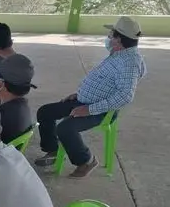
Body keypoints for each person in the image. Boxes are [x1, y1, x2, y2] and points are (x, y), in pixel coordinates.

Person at [34, 16, 148, 178]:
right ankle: (53, 150)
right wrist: (80, 95)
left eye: (111, 35)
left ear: (119, 39)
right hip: (85, 100)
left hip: (101, 110)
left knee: (65, 128)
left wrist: (89, 109)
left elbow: (125, 96)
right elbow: (106, 82)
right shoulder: (119, 54)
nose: (108, 38)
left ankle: (86, 161)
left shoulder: (128, 62)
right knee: (45, 112)